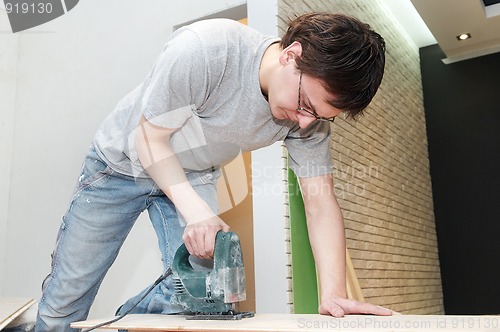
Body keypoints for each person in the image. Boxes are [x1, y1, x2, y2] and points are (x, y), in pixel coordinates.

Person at [35, 12, 390, 331]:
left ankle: (116, 324)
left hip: (195, 170)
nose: (306, 122)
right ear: (291, 55)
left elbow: (319, 201)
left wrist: (333, 294)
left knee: (202, 296)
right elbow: (149, 139)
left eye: (321, 116)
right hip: (120, 163)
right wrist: (197, 213)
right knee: (67, 298)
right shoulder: (207, 49)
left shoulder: (309, 121)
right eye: (304, 105)